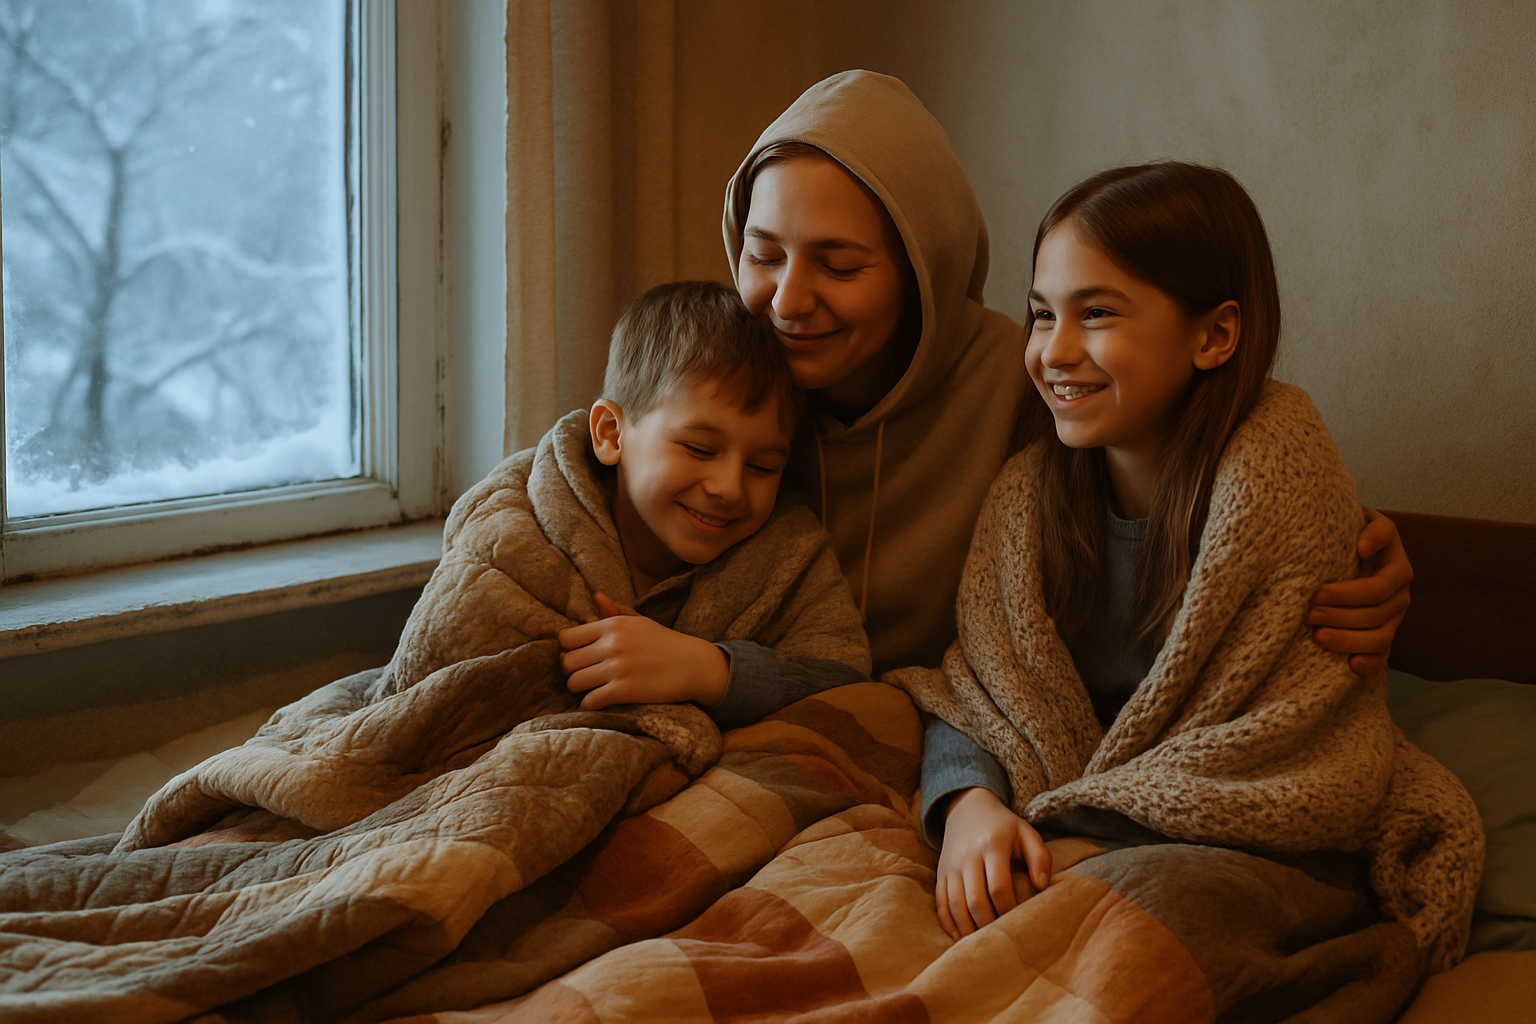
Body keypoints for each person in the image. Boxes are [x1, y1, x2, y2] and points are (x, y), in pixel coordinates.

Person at [893, 164, 1481, 983]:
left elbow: (1293, 736)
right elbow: (979, 690)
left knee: (1150, 927)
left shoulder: (1284, 490)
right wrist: (969, 809)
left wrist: (1081, 843)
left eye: (1096, 314)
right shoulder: (1027, 502)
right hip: (1075, 817)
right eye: (1041, 315)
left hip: (1239, 836)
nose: (1055, 350)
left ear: (1215, 335)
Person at [721, 70, 1413, 680]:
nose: (787, 302)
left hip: (946, 727)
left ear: (923, 273)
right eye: (763, 255)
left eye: (841, 266)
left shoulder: (1031, 388)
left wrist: (1358, 548)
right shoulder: (712, 375)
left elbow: (1223, 444)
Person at [549, 279, 871, 725]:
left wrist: (710, 670)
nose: (730, 489)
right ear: (610, 433)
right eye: (699, 449)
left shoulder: (788, 554)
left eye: (762, 468)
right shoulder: (522, 527)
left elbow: (849, 683)